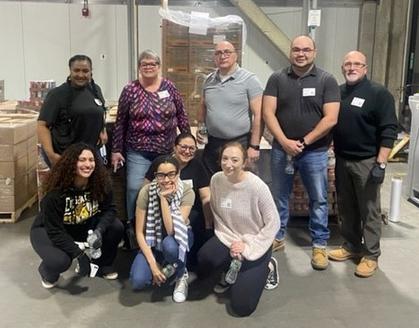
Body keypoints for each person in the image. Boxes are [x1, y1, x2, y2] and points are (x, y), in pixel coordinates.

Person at [263, 35, 340, 270]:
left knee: (318, 199)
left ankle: (319, 244)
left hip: (314, 151)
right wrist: (284, 141)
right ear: (290, 52)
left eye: (306, 49)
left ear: (314, 52)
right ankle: (277, 237)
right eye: (296, 49)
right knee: (279, 196)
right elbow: (268, 113)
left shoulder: (327, 80)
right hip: (281, 149)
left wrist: (303, 142)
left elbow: (331, 119)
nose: (301, 53)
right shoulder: (277, 78)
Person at [328, 51, 398, 278]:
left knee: (369, 210)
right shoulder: (338, 92)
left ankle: (371, 255)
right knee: (346, 207)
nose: (352, 67)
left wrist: (381, 163)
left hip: (367, 162)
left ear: (365, 68)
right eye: (347, 63)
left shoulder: (379, 94)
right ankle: (351, 246)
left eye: (357, 64)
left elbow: (389, 130)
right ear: (342, 68)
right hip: (342, 159)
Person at [197, 142, 279, 317]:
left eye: (235, 160)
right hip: (229, 236)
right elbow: (217, 212)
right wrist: (232, 241)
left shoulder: (257, 187)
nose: (228, 164)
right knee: (205, 258)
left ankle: (269, 266)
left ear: (244, 163)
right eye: (225, 159)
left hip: (256, 241)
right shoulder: (217, 179)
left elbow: (273, 223)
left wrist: (247, 246)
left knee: (242, 307)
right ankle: (231, 266)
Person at [30, 143, 124, 288]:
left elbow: (110, 210)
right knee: (61, 260)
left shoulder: (101, 183)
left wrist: (99, 231)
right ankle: (47, 270)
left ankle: (103, 264)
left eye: (91, 160)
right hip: (48, 231)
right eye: (82, 160)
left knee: (115, 227)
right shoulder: (56, 193)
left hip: (83, 226)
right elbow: (55, 231)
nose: (88, 164)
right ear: (71, 162)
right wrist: (79, 255)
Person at [111, 49, 190, 222]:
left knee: (167, 188)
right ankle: (133, 227)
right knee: (135, 188)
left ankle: (164, 226)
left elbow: (182, 115)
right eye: (144, 64)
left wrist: (187, 140)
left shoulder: (169, 87)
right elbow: (120, 122)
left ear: (159, 66)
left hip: (166, 150)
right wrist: (116, 149)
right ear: (139, 67)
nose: (148, 67)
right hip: (138, 151)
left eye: (152, 63)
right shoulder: (130, 89)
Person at [130, 155, 195, 303]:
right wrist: (153, 265)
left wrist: (163, 199)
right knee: (138, 281)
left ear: (178, 174)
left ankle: (180, 275)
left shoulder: (187, 191)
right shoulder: (146, 191)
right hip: (153, 241)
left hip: (180, 237)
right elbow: (139, 232)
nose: (166, 180)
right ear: (155, 176)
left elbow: (172, 230)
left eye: (171, 174)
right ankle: (165, 263)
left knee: (170, 245)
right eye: (161, 175)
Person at [144, 132, 212, 267]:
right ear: (174, 147)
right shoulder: (162, 163)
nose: (187, 151)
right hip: (161, 210)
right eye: (183, 147)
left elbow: (205, 196)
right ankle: (167, 259)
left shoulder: (197, 166)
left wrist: (209, 223)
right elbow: (145, 189)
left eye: (192, 148)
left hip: (188, 211)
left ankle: (178, 263)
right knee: (139, 279)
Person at [196, 41, 263, 176]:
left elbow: (259, 115)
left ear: (235, 56)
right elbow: (203, 107)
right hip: (213, 144)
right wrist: (201, 127)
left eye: (227, 52)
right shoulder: (208, 80)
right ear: (214, 57)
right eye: (218, 53)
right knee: (213, 183)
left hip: (239, 143)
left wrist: (254, 146)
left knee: (237, 184)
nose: (223, 56)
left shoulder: (249, 80)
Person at [37, 54, 107, 167]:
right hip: (65, 155)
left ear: (91, 72)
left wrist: (102, 130)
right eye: (76, 70)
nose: (80, 75)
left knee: (95, 184)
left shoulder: (95, 90)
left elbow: (99, 111)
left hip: (90, 154)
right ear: (70, 71)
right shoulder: (57, 94)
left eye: (85, 71)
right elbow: (42, 125)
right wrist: (51, 155)